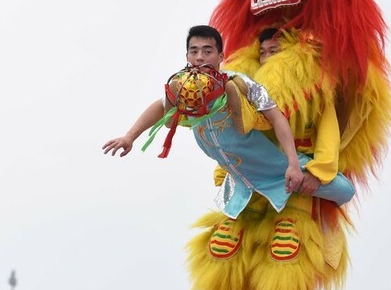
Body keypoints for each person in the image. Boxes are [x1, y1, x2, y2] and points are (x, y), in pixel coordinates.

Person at [102, 25, 355, 218]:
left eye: (207, 51)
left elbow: (276, 117)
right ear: (187, 55)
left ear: (220, 55)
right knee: (227, 234)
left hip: (273, 169)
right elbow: (159, 106)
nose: (200, 57)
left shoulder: (241, 80)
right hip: (237, 176)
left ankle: (238, 109)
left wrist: (292, 165)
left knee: (345, 191)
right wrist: (129, 136)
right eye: (194, 51)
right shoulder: (181, 87)